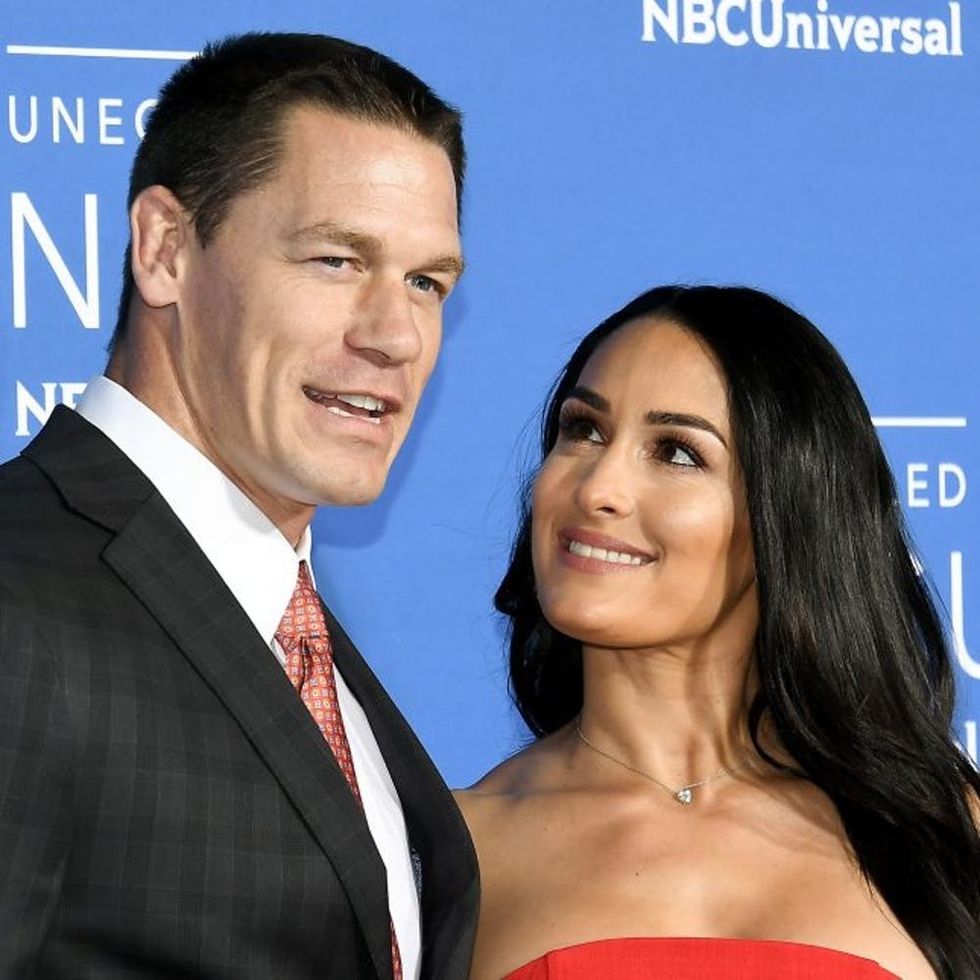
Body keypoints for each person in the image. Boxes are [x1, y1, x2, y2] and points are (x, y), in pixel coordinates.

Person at [0, 33, 477, 979]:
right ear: (166, 250)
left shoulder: (295, 635)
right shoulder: (18, 596)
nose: (395, 335)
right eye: (338, 260)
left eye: (427, 282)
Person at [456, 285, 980, 980]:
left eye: (675, 453)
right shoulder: (458, 846)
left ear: (785, 515)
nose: (596, 488)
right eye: (583, 430)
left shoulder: (947, 829)